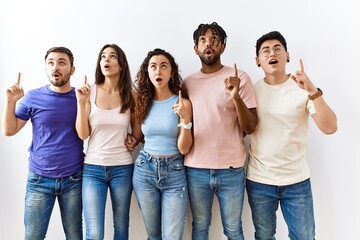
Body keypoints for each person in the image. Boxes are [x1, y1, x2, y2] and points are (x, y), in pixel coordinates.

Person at [246, 31, 338, 239]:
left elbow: (330, 127)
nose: (272, 53)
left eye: (277, 48)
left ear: (287, 55)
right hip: (260, 180)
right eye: (266, 50)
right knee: (264, 236)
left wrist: (313, 90)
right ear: (258, 61)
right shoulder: (252, 91)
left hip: (297, 182)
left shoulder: (302, 88)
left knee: (305, 237)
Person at [182, 22, 258, 240]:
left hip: (231, 169)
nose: (209, 44)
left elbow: (251, 126)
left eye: (214, 40)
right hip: (195, 169)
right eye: (203, 40)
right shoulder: (187, 83)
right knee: (200, 227)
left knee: (233, 229)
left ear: (222, 47)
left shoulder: (240, 78)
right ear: (195, 48)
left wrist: (235, 96)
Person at [1, 47, 84, 240]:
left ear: (72, 69)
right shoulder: (33, 97)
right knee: (32, 236)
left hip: (73, 179)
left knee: (74, 236)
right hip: (39, 179)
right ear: (46, 68)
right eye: (51, 62)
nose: (56, 67)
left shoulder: (81, 98)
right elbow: (9, 130)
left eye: (62, 62)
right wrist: (10, 101)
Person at [130, 48, 193, 240]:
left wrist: (185, 119)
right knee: (154, 235)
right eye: (153, 67)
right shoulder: (141, 100)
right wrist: (130, 140)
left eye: (164, 66)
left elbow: (184, 148)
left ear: (171, 72)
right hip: (144, 170)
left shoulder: (183, 102)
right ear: (147, 72)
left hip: (174, 171)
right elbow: (138, 135)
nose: (158, 71)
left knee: (172, 237)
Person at [75, 44, 135, 240]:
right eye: (103, 57)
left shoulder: (131, 95)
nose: (106, 60)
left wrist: (134, 139)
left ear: (122, 64)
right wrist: (81, 103)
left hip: (122, 168)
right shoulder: (89, 92)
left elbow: (139, 129)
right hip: (93, 168)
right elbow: (83, 134)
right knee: (94, 233)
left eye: (112, 56)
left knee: (121, 227)